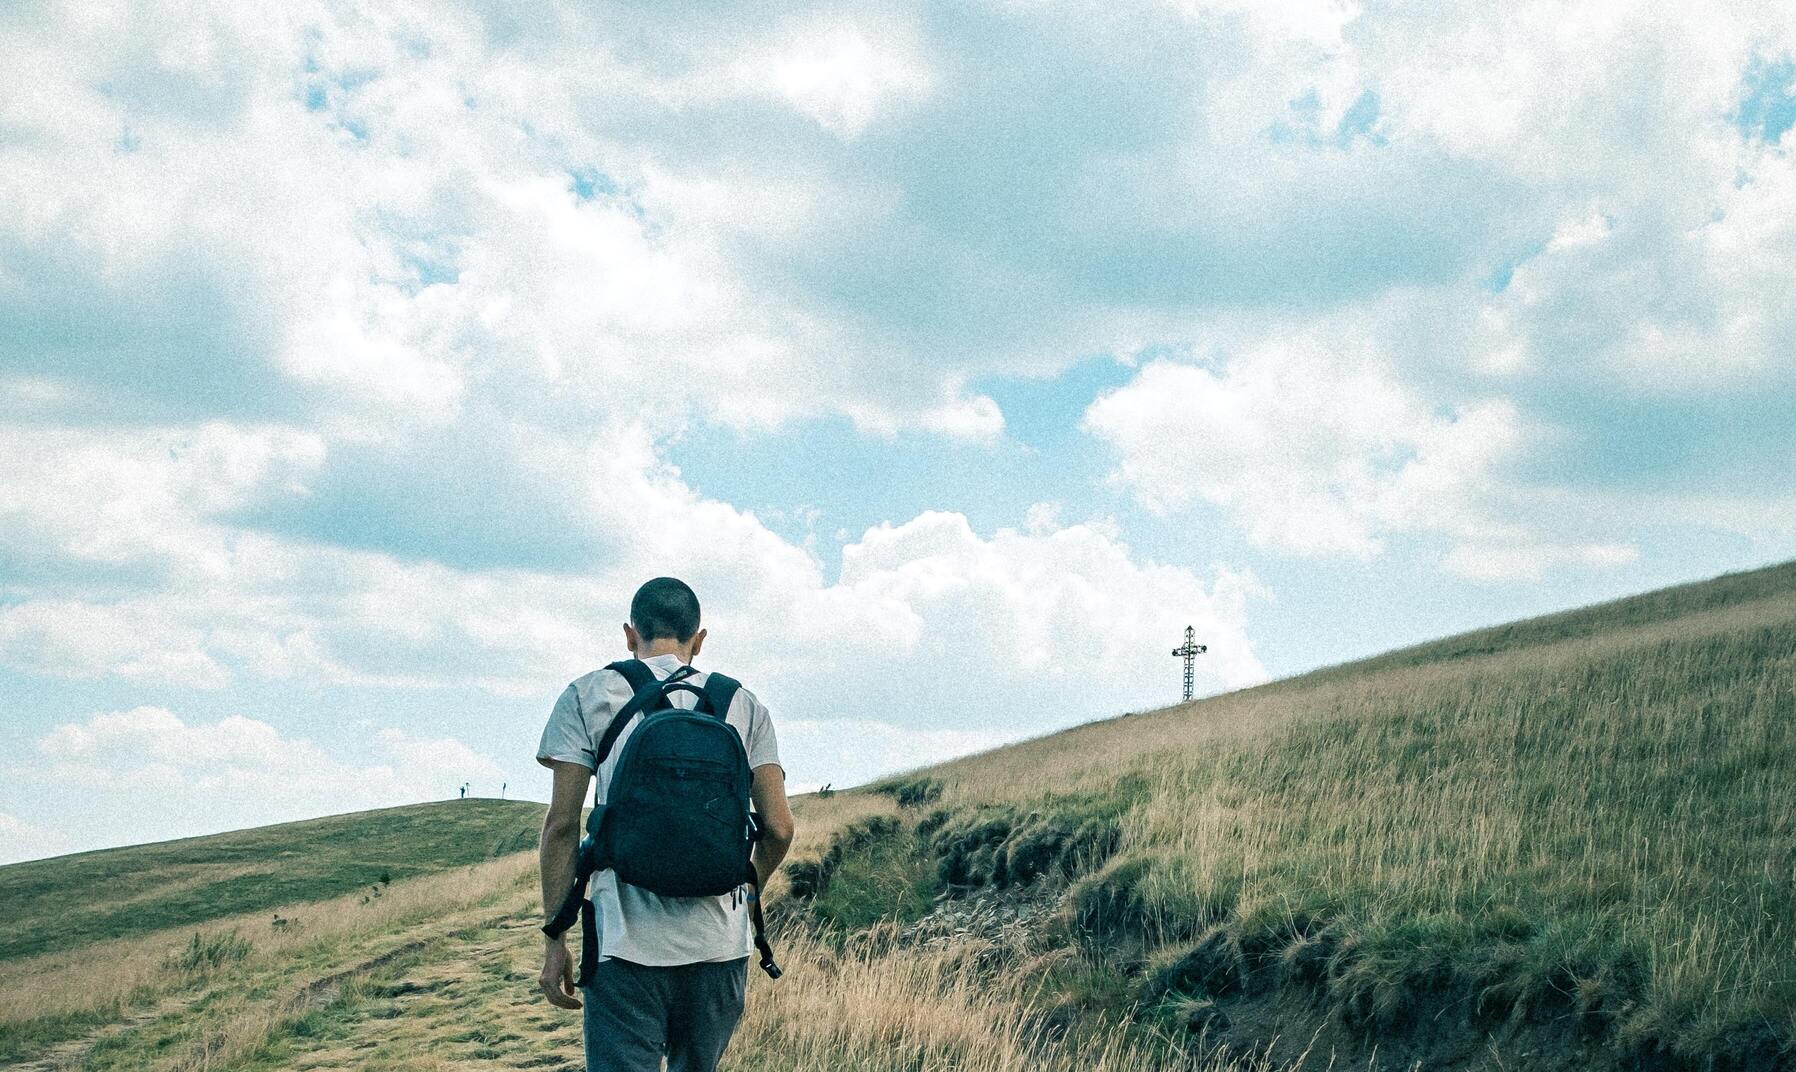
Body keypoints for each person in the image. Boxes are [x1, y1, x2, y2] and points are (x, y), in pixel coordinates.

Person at [535, 577, 795, 1072]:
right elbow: (780, 829)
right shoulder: (745, 705)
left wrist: (556, 938)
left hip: (624, 948)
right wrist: (748, 890)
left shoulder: (588, 694)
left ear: (630, 635)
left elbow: (561, 827)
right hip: (720, 946)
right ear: (699, 640)